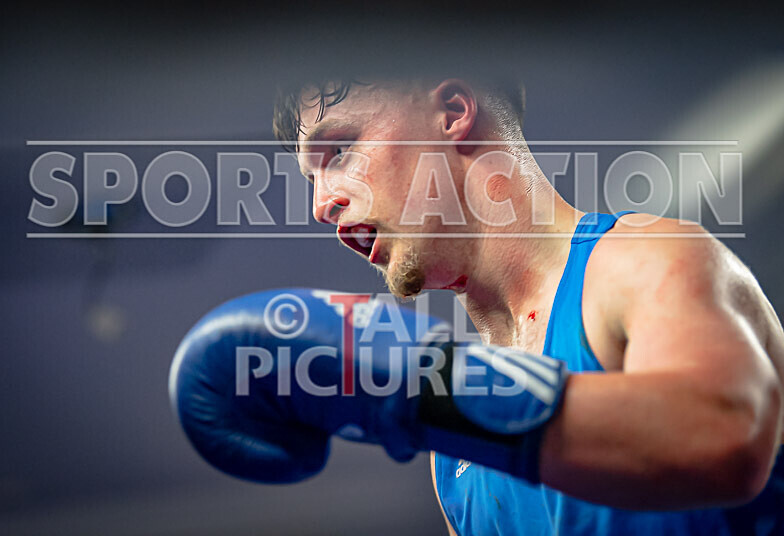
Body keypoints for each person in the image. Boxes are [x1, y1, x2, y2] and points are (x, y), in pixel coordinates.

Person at [170, 76, 784, 535]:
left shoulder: (645, 260)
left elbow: (724, 434)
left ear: (453, 112)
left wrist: (417, 388)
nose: (321, 203)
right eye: (310, 180)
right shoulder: (450, 458)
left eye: (338, 152)